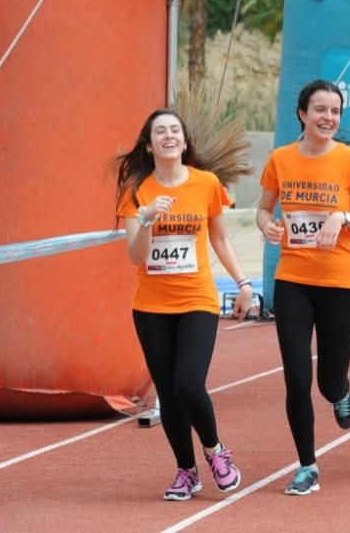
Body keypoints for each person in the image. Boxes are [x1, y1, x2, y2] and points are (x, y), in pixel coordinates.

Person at [112, 108, 249, 501]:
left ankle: (216, 451)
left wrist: (241, 283)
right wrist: (147, 218)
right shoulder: (137, 191)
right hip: (151, 306)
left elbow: (220, 239)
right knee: (169, 395)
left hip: (197, 300)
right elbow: (137, 256)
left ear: (184, 142)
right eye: (160, 131)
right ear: (149, 144)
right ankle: (186, 471)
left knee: (188, 383)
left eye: (175, 130)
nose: (169, 135)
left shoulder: (206, 183)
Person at [256, 80, 350, 496]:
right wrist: (267, 225)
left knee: (327, 380)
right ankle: (307, 465)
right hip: (293, 280)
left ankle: (341, 391)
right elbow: (261, 208)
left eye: (335, 111)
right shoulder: (280, 159)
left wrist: (341, 218)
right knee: (296, 377)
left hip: (340, 282)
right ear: (302, 114)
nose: (329, 118)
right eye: (321, 110)